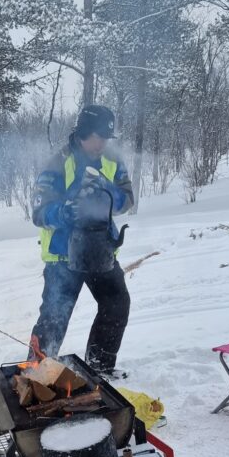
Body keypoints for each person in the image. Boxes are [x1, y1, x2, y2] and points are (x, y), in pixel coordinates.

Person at [28, 104, 133, 375]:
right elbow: (39, 212)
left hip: (100, 250)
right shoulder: (58, 163)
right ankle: (35, 374)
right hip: (63, 256)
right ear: (84, 133)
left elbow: (127, 200)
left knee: (116, 304)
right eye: (98, 137)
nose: (102, 144)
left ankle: (100, 368)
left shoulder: (112, 161)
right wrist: (64, 211)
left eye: (106, 138)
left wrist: (106, 190)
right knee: (54, 318)